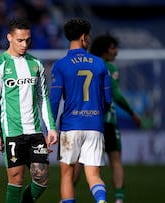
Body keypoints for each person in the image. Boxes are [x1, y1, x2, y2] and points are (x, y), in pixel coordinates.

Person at [0, 18, 58, 203]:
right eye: (20, 40)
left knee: (41, 180)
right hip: (12, 132)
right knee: (16, 179)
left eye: (28, 40)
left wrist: (51, 128)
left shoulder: (36, 64)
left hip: (35, 132)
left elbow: (43, 98)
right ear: (9, 37)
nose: (24, 44)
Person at [73, 33, 142, 203]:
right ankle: (119, 199)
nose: (116, 52)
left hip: (85, 120)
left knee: (78, 162)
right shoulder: (109, 68)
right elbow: (116, 94)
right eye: (113, 48)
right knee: (115, 159)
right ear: (104, 51)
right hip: (107, 121)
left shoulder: (85, 66)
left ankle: (67, 196)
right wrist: (132, 113)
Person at [50, 18, 112, 203]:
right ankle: (101, 201)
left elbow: (54, 99)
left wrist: (51, 127)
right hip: (94, 125)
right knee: (93, 175)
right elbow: (107, 100)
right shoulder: (100, 64)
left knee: (67, 176)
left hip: (70, 126)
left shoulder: (60, 65)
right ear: (84, 37)